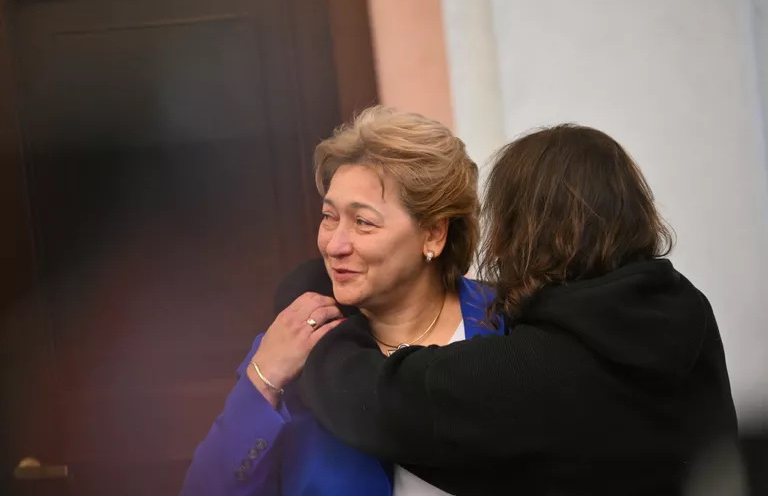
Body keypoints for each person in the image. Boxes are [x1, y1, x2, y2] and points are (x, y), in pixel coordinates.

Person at [299, 124, 739, 495]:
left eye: (364, 222)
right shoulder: (685, 309)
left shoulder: (542, 361)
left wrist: (318, 330)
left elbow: (387, 404)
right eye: (329, 217)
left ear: (523, 234)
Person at [181, 106, 501, 495]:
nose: (334, 245)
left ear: (434, 234)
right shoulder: (297, 341)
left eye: (363, 222)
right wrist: (263, 382)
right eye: (329, 217)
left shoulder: (507, 329)